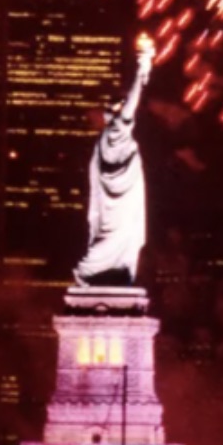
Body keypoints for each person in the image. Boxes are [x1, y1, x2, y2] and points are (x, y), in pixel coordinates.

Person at [72, 37, 154, 286]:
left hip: (120, 202)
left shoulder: (117, 127)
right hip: (112, 203)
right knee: (106, 242)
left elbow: (132, 101)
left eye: (114, 105)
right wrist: (142, 70)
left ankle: (109, 271)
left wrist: (142, 70)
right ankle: (109, 271)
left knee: (110, 242)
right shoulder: (112, 130)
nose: (112, 108)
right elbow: (132, 101)